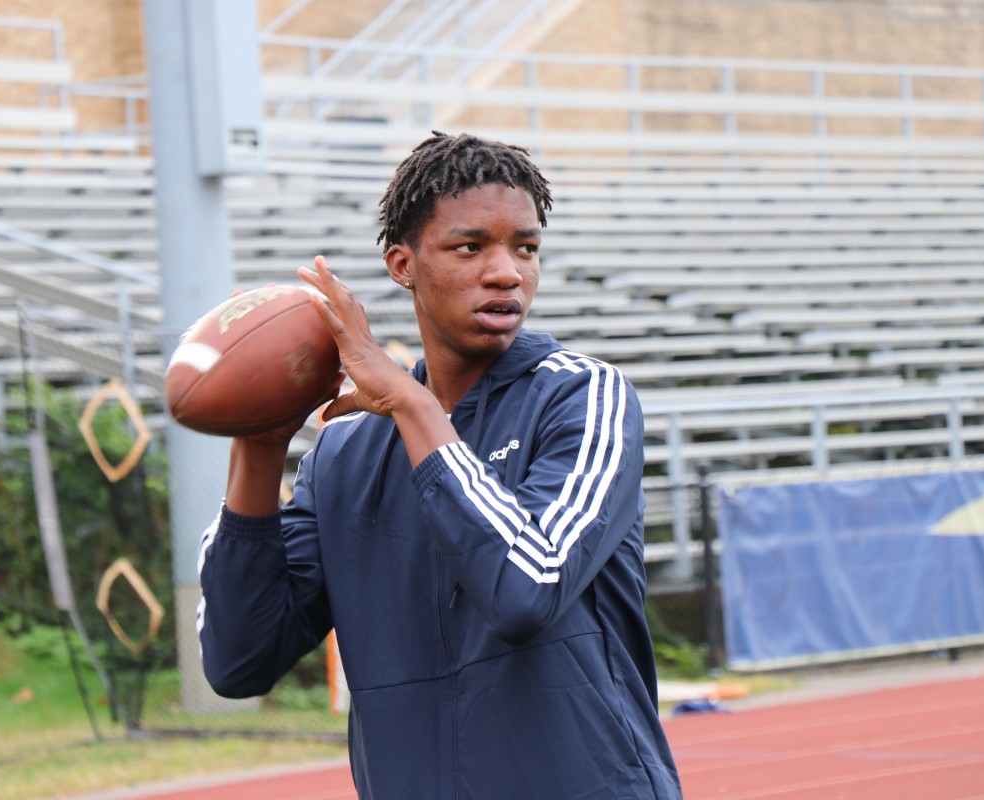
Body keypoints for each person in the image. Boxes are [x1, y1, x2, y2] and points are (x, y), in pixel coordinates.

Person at [196, 131, 683, 799]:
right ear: (403, 264)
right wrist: (260, 441)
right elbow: (238, 661)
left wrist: (408, 402)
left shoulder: (583, 398)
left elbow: (526, 590)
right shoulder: (341, 455)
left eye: (526, 247)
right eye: (469, 246)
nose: (507, 271)